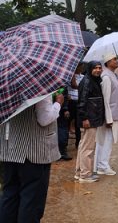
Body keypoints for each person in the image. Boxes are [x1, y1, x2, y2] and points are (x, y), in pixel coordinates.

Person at [0, 91, 64, 222]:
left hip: (8, 149)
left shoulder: (5, 85)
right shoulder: (38, 86)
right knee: (31, 200)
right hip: (33, 151)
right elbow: (44, 118)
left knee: (9, 195)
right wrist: (58, 103)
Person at [95, 53, 118, 176]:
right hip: (109, 115)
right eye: (114, 59)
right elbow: (105, 99)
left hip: (112, 113)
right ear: (108, 62)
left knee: (106, 139)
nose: (117, 61)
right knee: (106, 140)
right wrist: (108, 118)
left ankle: (100, 164)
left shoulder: (112, 74)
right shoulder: (106, 77)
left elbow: (117, 87)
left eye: (117, 58)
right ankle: (103, 165)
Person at [74, 61, 105, 183]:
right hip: (89, 119)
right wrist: (85, 118)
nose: (98, 70)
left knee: (83, 146)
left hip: (91, 118)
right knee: (88, 147)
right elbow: (82, 102)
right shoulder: (87, 82)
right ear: (90, 69)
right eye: (95, 68)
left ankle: (79, 172)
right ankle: (86, 175)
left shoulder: (93, 81)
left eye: (99, 68)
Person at [57, 88, 72, 160]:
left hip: (61, 112)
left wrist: (65, 109)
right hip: (49, 111)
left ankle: (62, 152)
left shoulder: (62, 85)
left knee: (63, 131)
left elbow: (65, 98)